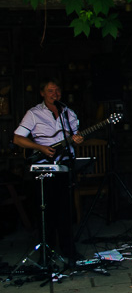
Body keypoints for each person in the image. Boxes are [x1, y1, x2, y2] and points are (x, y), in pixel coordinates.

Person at [13, 78, 84, 260]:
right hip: (44, 164)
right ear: (43, 93)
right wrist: (40, 148)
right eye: (51, 91)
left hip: (65, 164)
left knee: (65, 209)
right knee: (47, 209)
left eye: (57, 90)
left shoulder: (68, 113)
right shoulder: (34, 113)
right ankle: (47, 251)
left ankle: (69, 250)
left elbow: (75, 135)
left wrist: (78, 139)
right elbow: (18, 138)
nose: (55, 94)